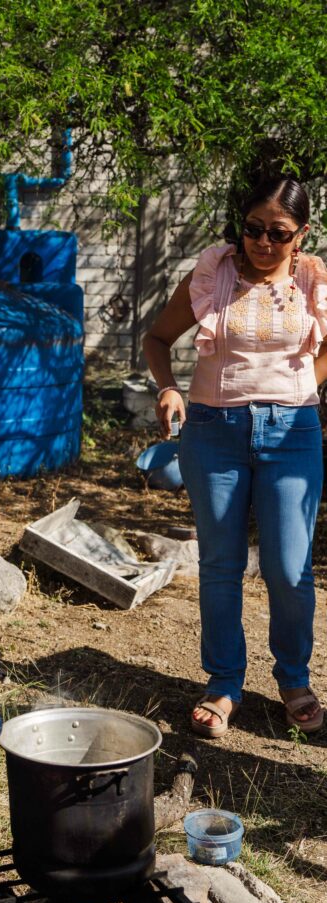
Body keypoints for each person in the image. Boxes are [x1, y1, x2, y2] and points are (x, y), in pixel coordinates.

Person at [143, 177, 327, 738]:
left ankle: (294, 680)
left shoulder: (314, 279)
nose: (263, 242)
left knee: (289, 568)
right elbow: (157, 338)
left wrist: (302, 388)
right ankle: (224, 682)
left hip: (292, 434)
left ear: (301, 234)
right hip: (213, 432)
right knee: (221, 565)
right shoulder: (213, 272)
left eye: (279, 233)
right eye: (254, 229)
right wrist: (168, 387)